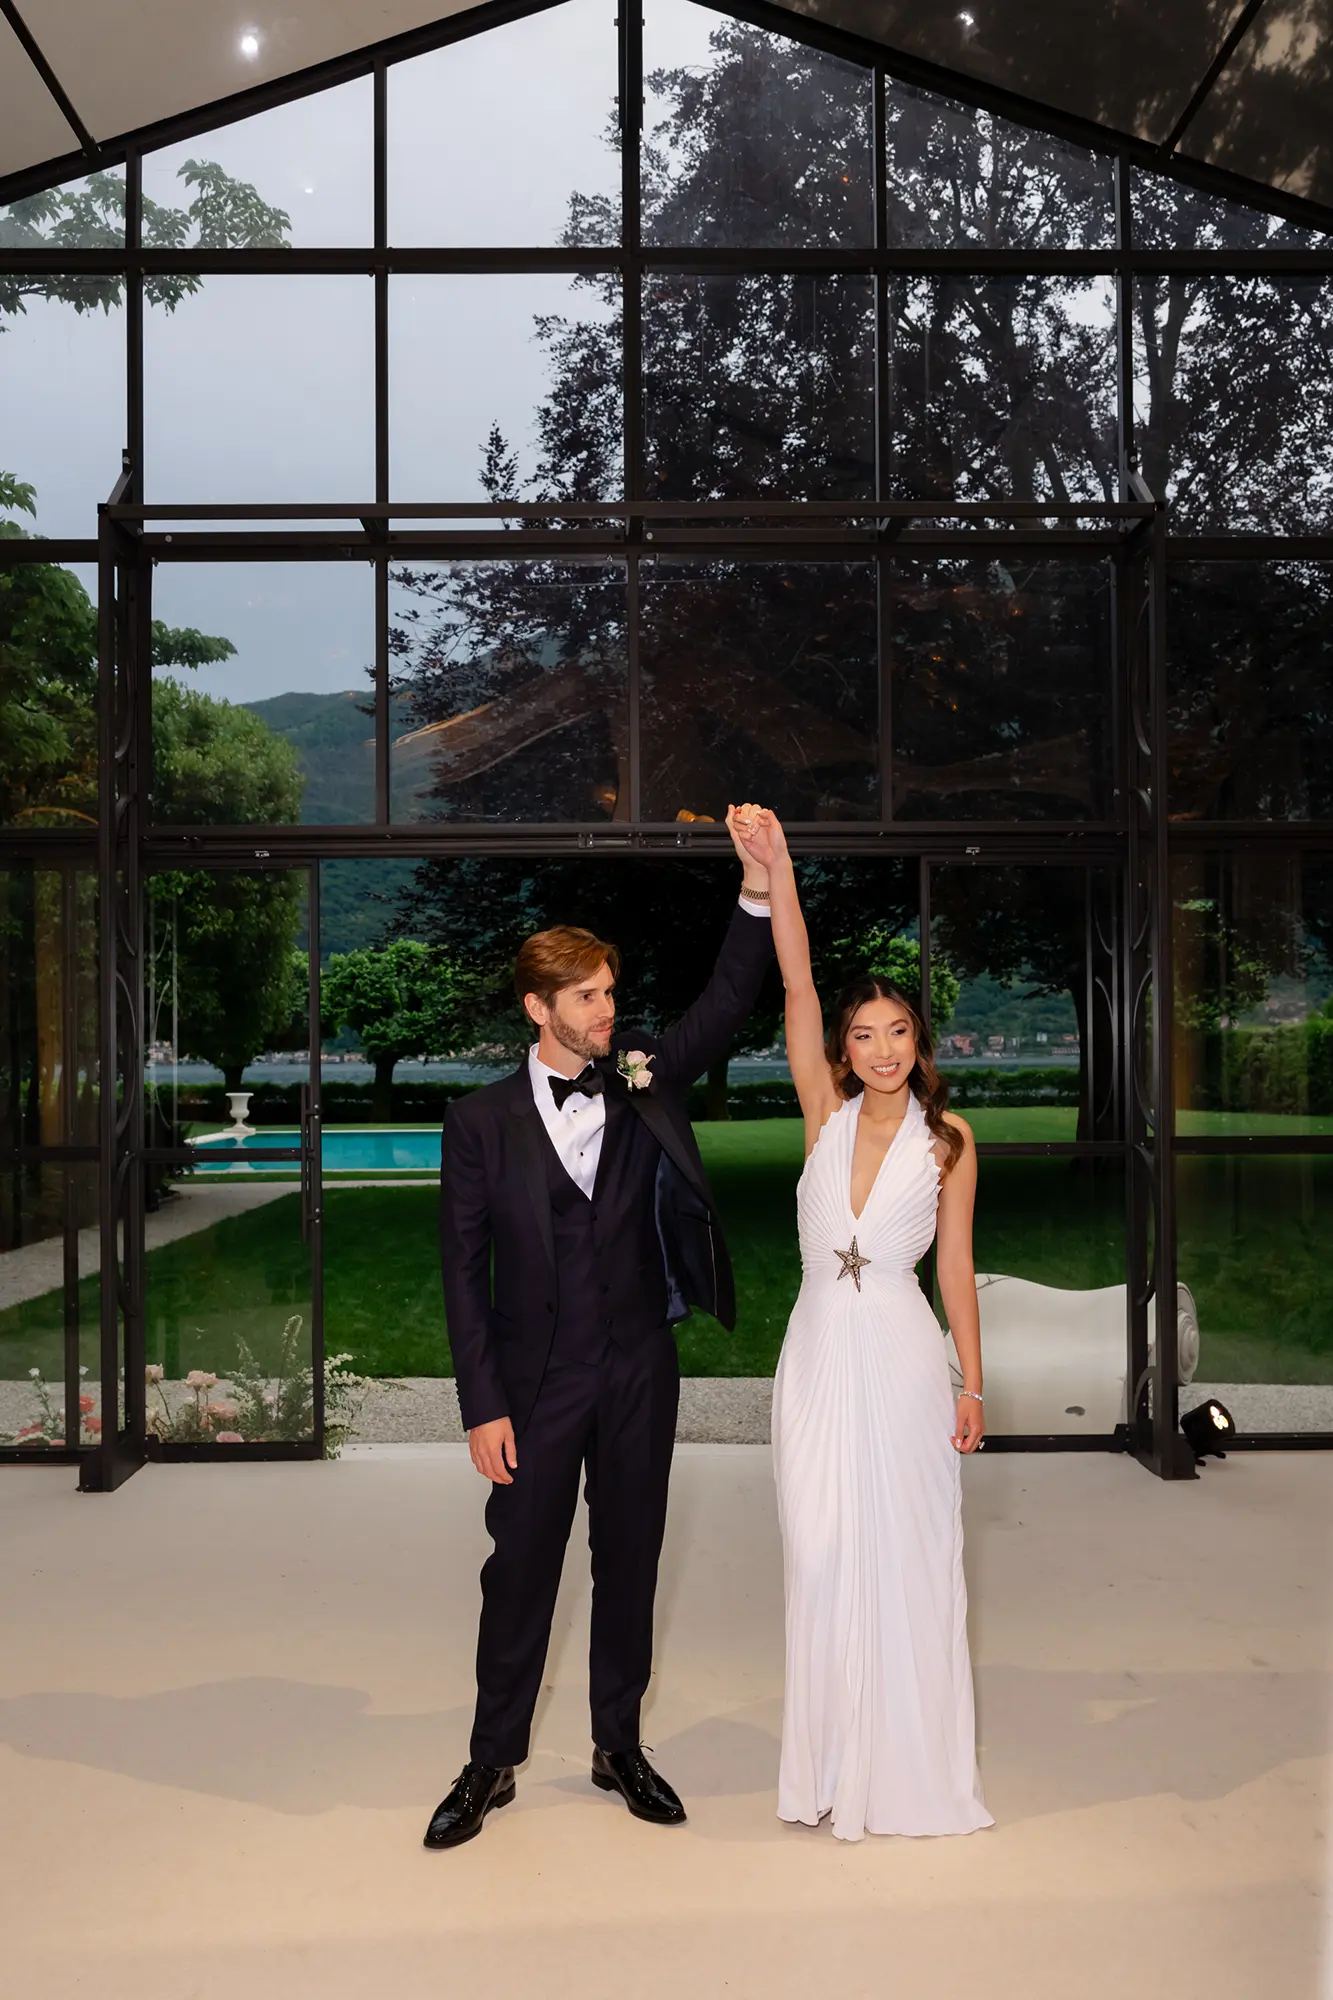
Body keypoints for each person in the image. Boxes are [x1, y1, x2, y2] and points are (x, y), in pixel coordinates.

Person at [424, 806, 776, 1848]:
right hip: (533, 1382)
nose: (607, 1010)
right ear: (538, 1006)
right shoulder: (478, 1122)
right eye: (587, 996)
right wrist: (482, 1403)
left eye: (611, 992)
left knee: (630, 1559)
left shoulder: (640, 1074)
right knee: (519, 1569)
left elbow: (726, 999)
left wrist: (755, 888)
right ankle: (491, 1760)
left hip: (638, 1367)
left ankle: (617, 1744)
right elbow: (461, 1272)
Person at [731, 807, 993, 1842]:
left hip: (901, 1357)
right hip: (814, 1357)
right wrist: (777, 870)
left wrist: (972, 1381)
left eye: (897, 1032)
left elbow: (955, 1269)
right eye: (862, 1033)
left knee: (909, 1555)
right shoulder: (820, 1116)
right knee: (818, 1550)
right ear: (842, 1047)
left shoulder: (948, 1137)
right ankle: (830, 1764)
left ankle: (905, 1769)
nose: (881, 1049)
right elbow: (795, 983)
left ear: (917, 1043)